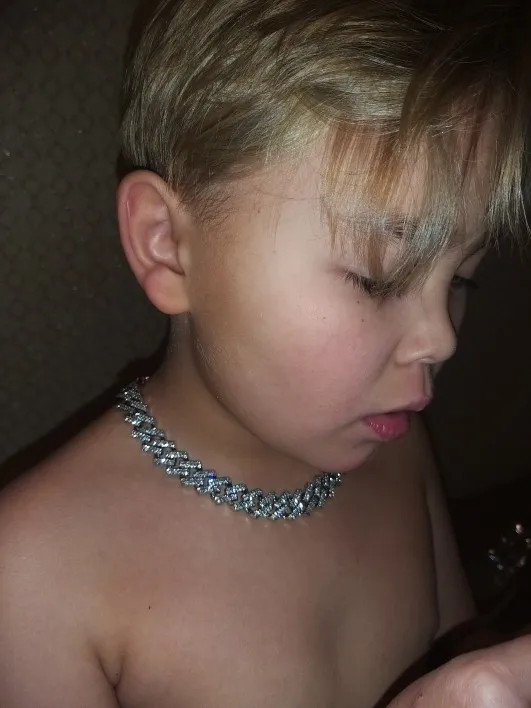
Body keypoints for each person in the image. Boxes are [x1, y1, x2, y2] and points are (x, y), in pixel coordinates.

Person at [1, 0, 530, 706]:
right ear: (168, 245)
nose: (441, 338)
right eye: (375, 277)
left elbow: (455, 647)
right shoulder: (31, 577)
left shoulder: (395, 446)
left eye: (460, 278)